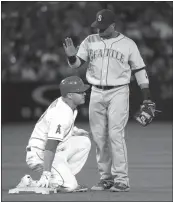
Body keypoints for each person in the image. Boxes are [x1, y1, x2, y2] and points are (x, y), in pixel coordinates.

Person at [63, 9, 155, 192]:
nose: (99, 30)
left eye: (103, 27)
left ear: (113, 25)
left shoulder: (128, 44)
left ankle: (122, 179)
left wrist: (147, 96)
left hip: (118, 92)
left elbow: (139, 69)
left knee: (115, 134)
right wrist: (71, 56)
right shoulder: (90, 41)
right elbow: (76, 65)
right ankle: (106, 178)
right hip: (96, 91)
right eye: (98, 26)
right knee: (99, 137)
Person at [17, 76, 91, 193]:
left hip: (52, 150)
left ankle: (59, 178)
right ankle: (47, 181)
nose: (84, 94)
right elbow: (50, 146)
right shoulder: (62, 113)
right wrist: (46, 173)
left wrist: (74, 131)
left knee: (83, 142)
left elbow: (56, 127)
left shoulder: (66, 103)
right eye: (80, 92)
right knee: (70, 187)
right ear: (70, 95)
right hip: (40, 154)